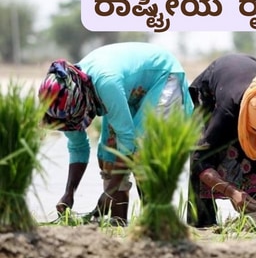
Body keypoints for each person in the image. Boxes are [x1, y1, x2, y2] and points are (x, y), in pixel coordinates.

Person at [38, 42, 194, 225]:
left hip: (161, 76)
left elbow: (128, 141)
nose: (70, 125)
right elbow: (78, 147)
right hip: (128, 87)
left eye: (73, 119)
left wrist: (108, 193)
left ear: (81, 103)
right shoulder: (61, 108)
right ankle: (118, 222)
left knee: (141, 151)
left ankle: (153, 224)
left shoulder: (105, 83)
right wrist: (69, 193)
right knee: (109, 158)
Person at [186, 54, 256, 228]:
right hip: (212, 95)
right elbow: (200, 161)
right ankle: (202, 223)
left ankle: (251, 217)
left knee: (255, 154)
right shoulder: (227, 112)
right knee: (204, 152)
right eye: (255, 130)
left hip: (241, 87)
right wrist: (231, 192)